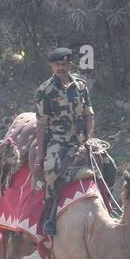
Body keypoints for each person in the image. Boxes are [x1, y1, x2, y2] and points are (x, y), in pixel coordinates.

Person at [33, 46, 94, 237]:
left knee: (107, 164)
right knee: (51, 171)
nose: (61, 68)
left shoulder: (81, 86)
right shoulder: (45, 90)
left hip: (80, 141)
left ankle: (109, 205)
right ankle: (50, 215)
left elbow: (89, 114)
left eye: (64, 64)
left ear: (69, 65)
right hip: (58, 141)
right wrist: (42, 152)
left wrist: (90, 139)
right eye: (57, 65)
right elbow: (41, 124)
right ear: (52, 66)